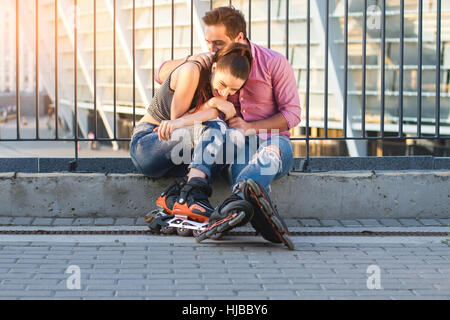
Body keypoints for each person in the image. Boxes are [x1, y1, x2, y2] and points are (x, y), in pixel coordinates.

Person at [153, 6, 302, 250]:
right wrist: (191, 60)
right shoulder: (215, 64)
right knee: (243, 170)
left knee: (270, 152)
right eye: (208, 42)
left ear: (239, 38)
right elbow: (160, 75)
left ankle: (234, 205)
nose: (211, 49)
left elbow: (292, 114)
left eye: (218, 43)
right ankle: (247, 206)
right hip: (235, 147)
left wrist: (250, 126)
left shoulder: (275, 63)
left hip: (272, 139)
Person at [130, 42, 255, 233]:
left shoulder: (220, 90)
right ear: (214, 68)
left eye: (233, 90)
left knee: (234, 138)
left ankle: (178, 194)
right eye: (222, 85)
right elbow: (175, 123)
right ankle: (193, 195)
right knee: (216, 127)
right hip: (147, 145)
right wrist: (212, 105)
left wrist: (213, 106)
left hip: (177, 155)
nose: (225, 93)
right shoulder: (192, 71)